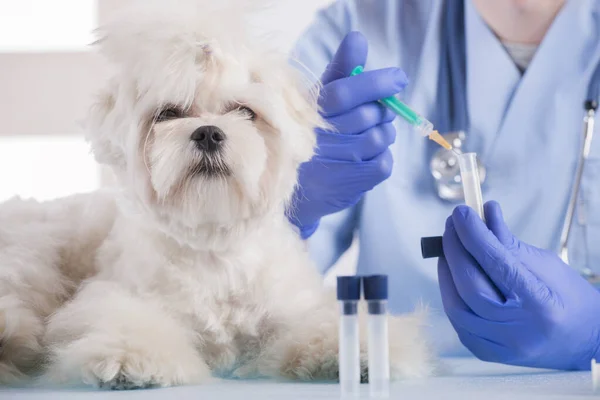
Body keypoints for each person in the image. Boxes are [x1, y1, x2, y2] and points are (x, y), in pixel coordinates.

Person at [286, 0, 600, 371]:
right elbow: (236, 297)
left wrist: (595, 338)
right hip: (396, 382)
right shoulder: (362, 26)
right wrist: (281, 205)